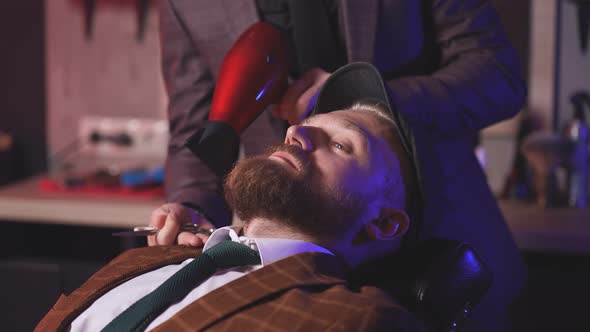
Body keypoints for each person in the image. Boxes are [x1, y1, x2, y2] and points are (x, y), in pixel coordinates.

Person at [155, 1, 527, 331]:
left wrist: (371, 101)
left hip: (441, 250)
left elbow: (499, 74)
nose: (298, 134)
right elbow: (197, 129)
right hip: (287, 279)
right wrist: (194, 205)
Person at [36, 64, 427, 331]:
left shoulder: (353, 319)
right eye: (303, 126)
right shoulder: (148, 259)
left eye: (341, 145)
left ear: (383, 222)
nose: (296, 134)